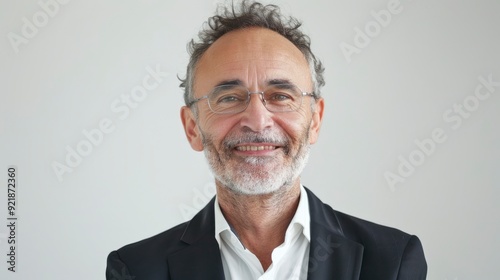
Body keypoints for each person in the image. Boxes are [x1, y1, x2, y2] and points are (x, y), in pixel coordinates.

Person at [106, 1, 427, 279]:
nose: (258, 120)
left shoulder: (392, 262)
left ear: (315, 120)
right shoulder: (136, 269)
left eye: (281, 96)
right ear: (192, 128)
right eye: (229, 98)